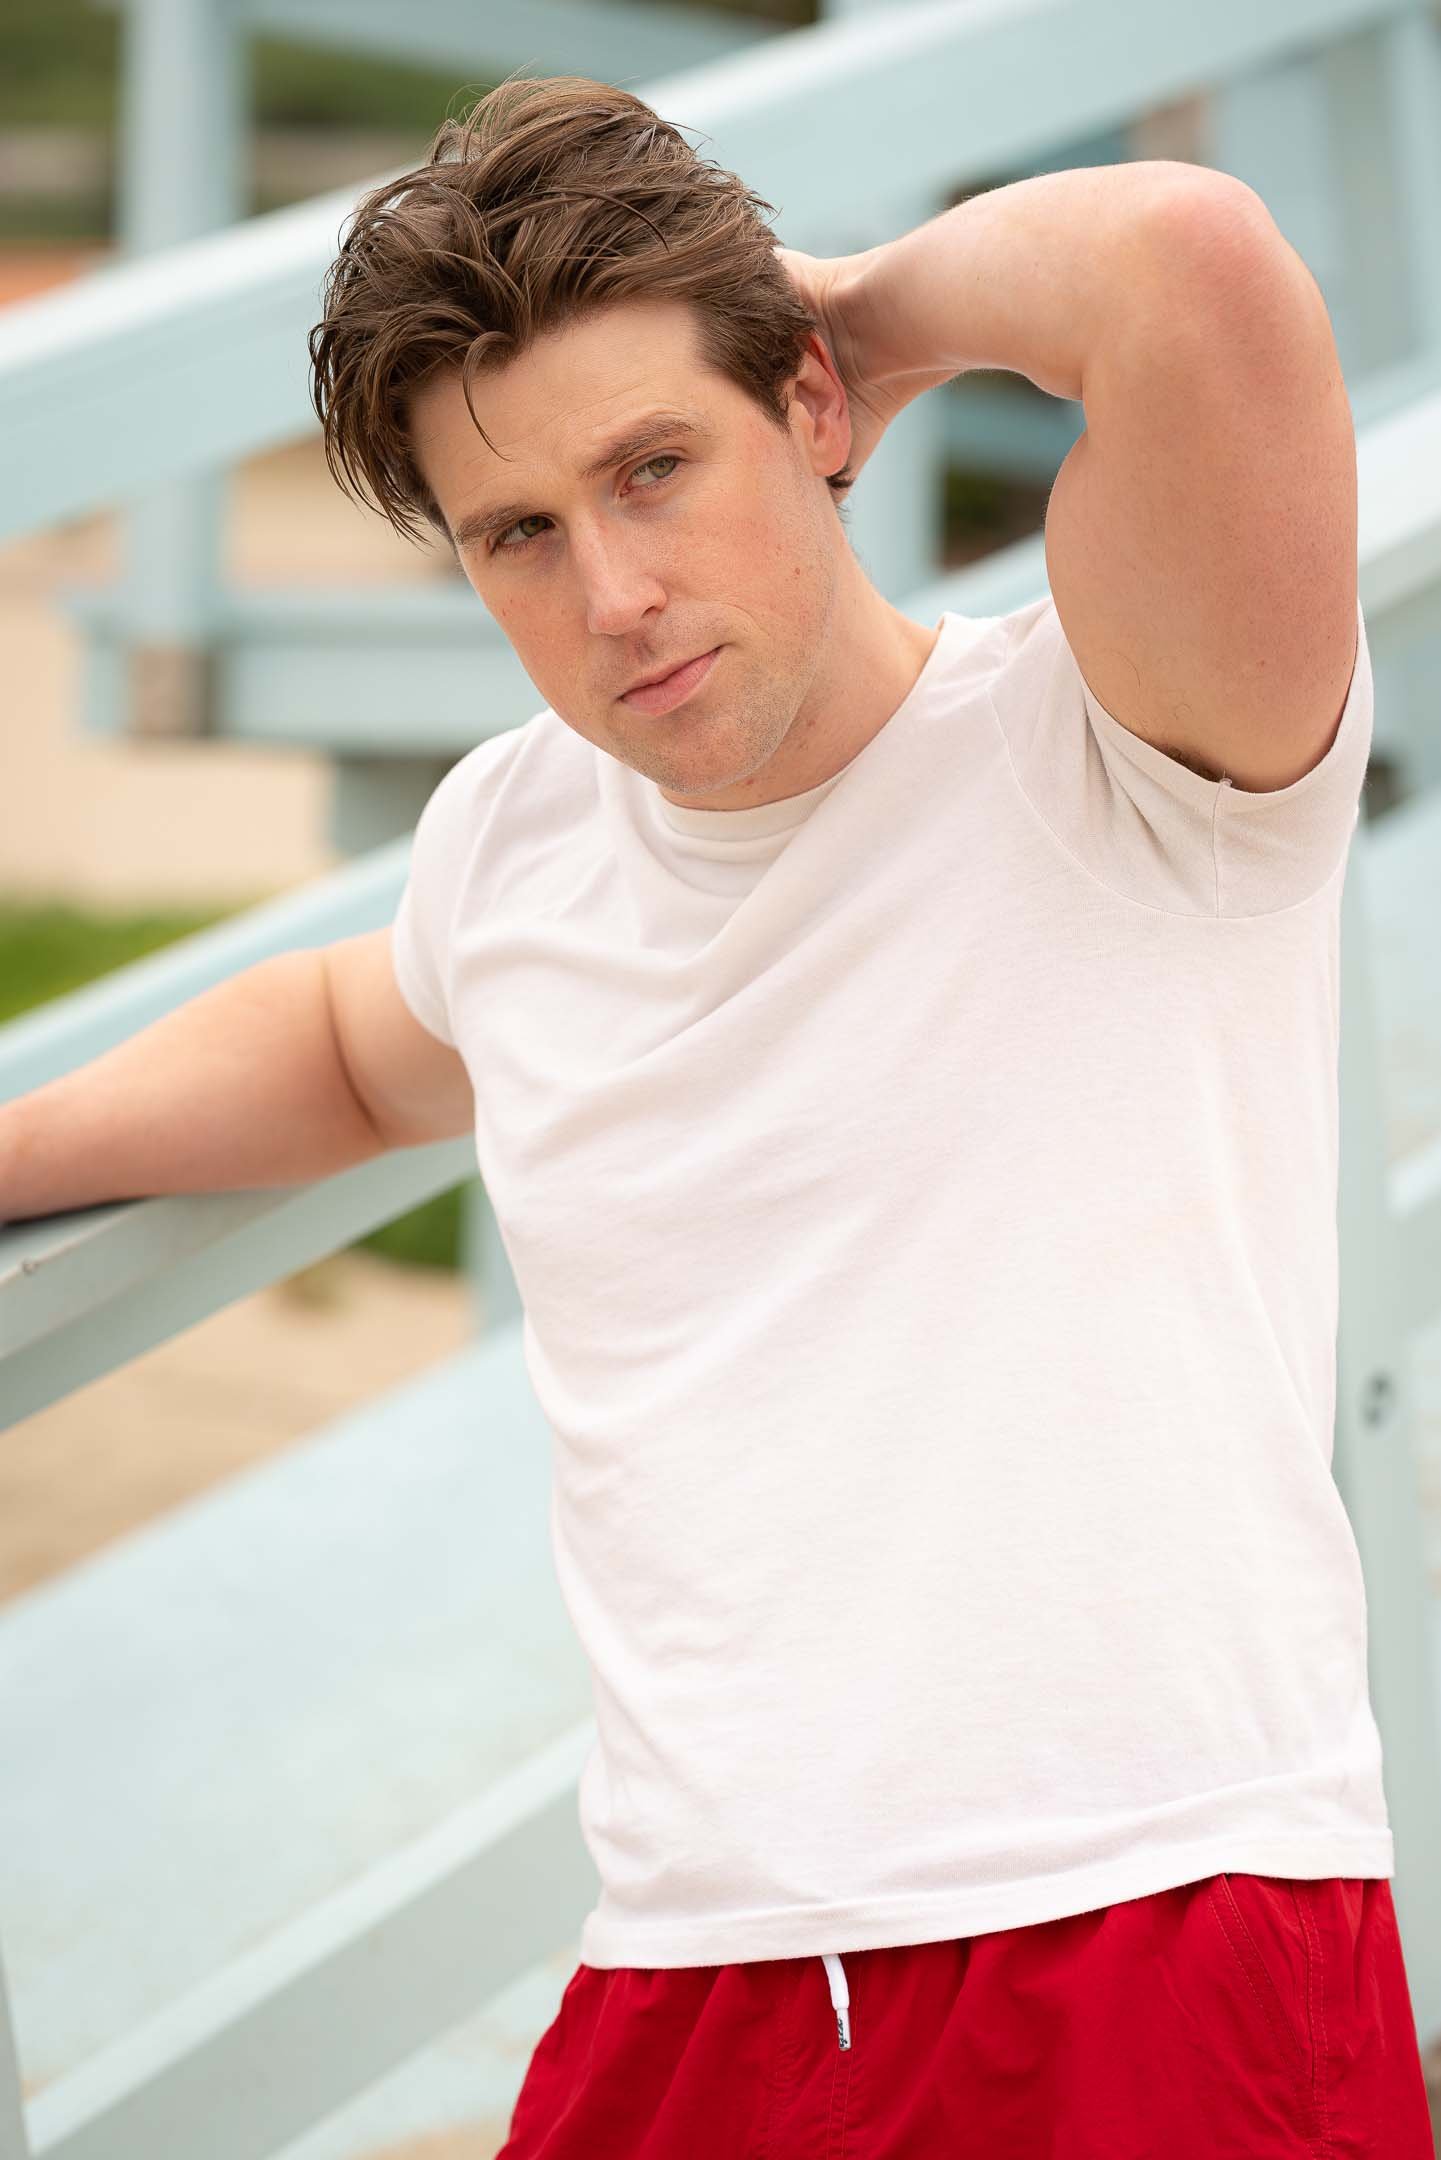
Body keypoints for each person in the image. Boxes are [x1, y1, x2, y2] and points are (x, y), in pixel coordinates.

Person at [6, 67, 1428, 2159]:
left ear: (819, 409)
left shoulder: (1127, 737)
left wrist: (853, 299)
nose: (613, 599)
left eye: (656, 466)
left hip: (1147, 1929)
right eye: (519, 533)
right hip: (695, 1972)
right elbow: (339, 1038)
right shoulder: (516, 848)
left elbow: (1185, 267)